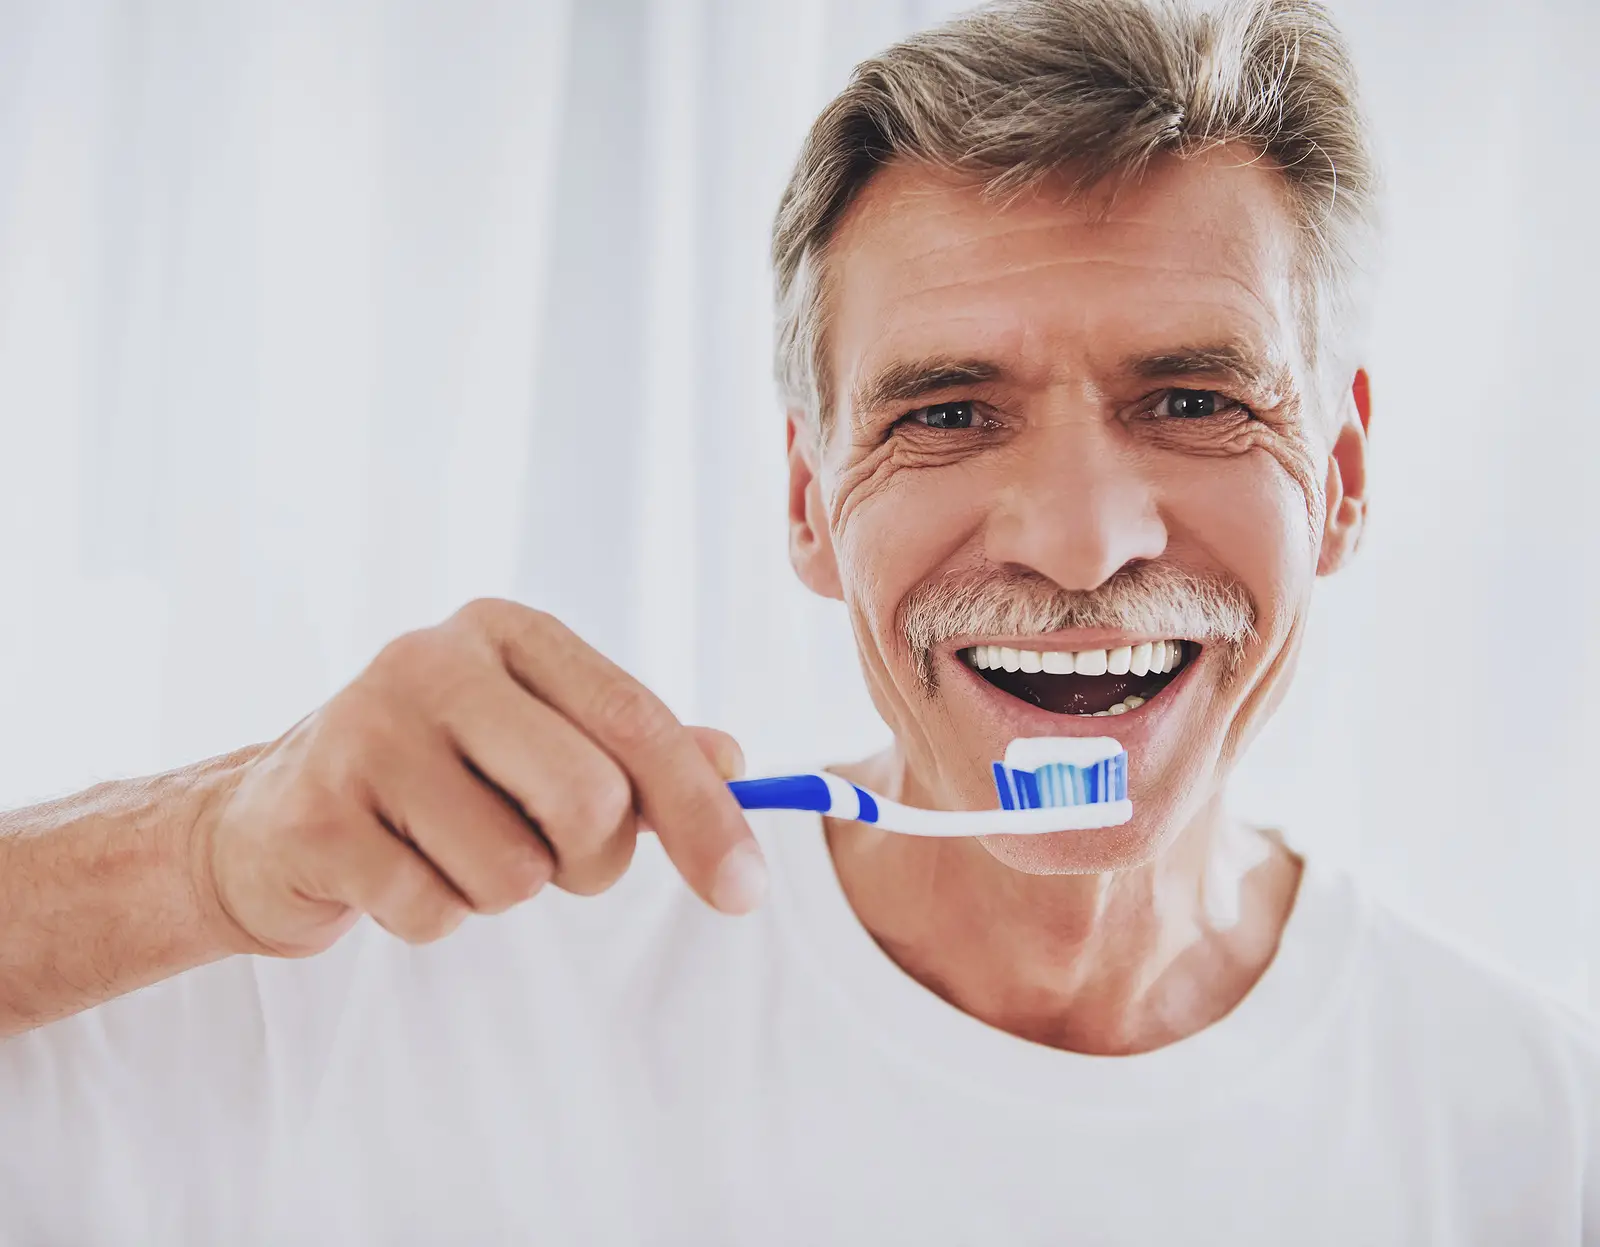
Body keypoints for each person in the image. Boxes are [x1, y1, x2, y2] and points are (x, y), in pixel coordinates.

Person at [2, 0, 1596, 1241]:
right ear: (807, 498)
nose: (1082, 540)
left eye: (1191, 398)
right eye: (949, 412)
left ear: (1345, 474)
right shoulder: (426, 982)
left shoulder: (1532, 1135)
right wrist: (201, 850)